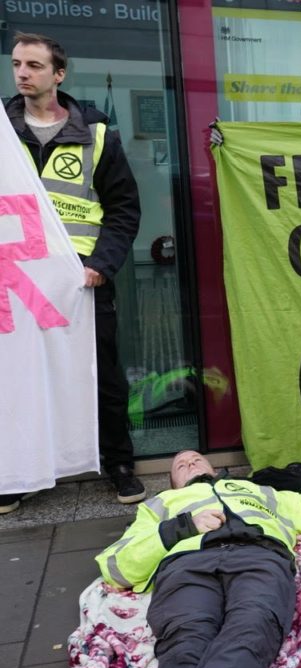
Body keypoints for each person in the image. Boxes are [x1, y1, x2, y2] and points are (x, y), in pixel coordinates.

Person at [1, 33, 143, 514]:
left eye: (35, 65)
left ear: (58, 75)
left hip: (80, 283)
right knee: (18, 377)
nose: (22, 73)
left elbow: (123, 209)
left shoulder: (97, 133)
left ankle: (119, 464)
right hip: (15, 281)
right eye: (18, 64)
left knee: (100, 375)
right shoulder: (0, 128)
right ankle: (18, 473)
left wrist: (102, 265)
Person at [95, 450, 301, 668]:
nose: (190, 463)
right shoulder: (159, 505)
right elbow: (117, 565)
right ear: (173, 483)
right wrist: (182, 527)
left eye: (197, 459)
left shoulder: (259, 491)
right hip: (188, 565)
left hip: (258, 555)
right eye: (180, 464)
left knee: (253, 627)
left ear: (215, 469)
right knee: (186, 638)